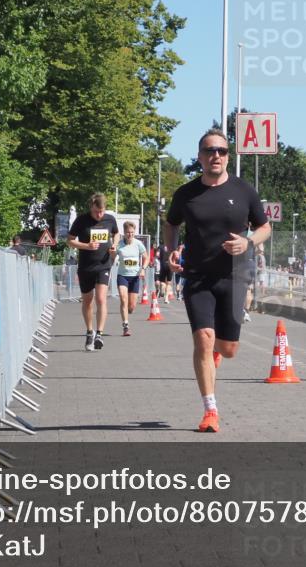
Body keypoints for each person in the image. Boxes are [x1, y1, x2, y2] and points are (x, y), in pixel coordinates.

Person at [165, 128, 271, 433]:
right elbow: (171, 224)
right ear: (199, 157)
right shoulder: (186, 194)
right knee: (203, 339)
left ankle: (213, 358)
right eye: (210, 151)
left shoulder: (244, 191)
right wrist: (171, 253)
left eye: (222, 151)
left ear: (228, 156)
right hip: (197, 277)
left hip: (234, 277)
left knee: (227, 349)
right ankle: (210, 410)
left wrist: (248, 242)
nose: (216, 156)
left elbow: (265, 228)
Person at [66, 193, 119, 351]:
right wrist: (86, 246)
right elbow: (69, 240)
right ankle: (90, 331)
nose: (99, 215)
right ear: (91, 207)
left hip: (103, 265)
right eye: (97, 211)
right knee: (88, 301)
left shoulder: (110, 219)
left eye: (102, 211)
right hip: (86, 266)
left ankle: (100, 334)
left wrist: (114, 244)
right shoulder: (81, 220)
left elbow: (116, 233)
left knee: (101, 299)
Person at [115, 222, 149, 336]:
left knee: (131, 306)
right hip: (122, 276)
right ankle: (125, 325)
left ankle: (129, 310)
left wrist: (143, 268)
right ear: (124, 233)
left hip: (134, 277)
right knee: (123, 299)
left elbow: (146, 257)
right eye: (128, 232)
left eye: (132, 232)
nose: (130, 234)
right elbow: (111, 257)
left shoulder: (138, 244)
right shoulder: (119, 244)